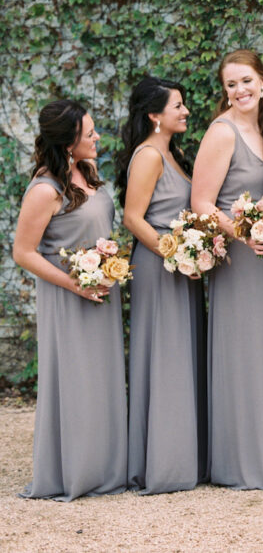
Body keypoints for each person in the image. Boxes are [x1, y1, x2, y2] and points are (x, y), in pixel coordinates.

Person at [190, 49, 263, 490]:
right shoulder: (222, 133)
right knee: (245, 353)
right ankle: (239, 462)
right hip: (241, 259)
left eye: (246, 81)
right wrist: (244, 232)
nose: (240, 90)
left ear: (262, 81)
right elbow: (202, 203)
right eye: (231, 84)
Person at [13, 100, 127, 501]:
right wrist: (75, 284)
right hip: (68, 296)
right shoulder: (46, 189)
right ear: (67, 142)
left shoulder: (87, 170)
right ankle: (76, 471)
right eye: (89, 133)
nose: (97, 137)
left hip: (101, 291)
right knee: (76, 379)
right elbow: (23, 252)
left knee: (103, 378)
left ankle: (108, 467)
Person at [117, 77, 207, 494]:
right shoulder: (149, 156)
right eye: (178, 106)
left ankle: (183, 455)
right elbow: (132, 218)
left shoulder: (173, 153)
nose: (185, 111)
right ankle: (162, 465)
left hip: (179, 267)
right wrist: (175, 254)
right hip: (159, 267)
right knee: (165, 358)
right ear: (155, 115)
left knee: (181, 357)